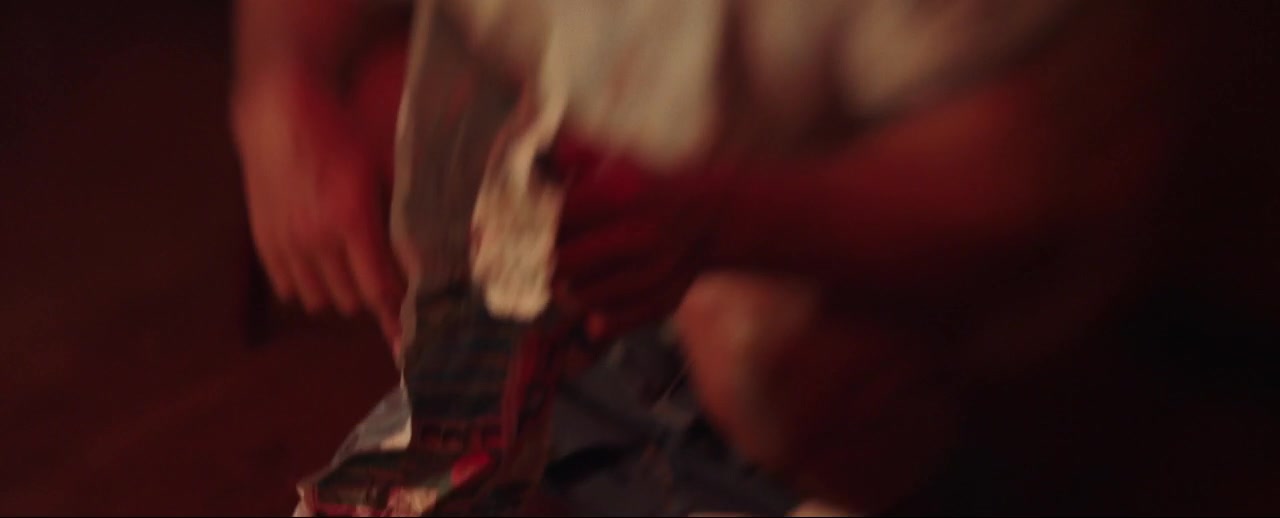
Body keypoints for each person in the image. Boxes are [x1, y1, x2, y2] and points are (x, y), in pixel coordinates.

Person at [232, 0, 1280, 515]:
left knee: (801, 373)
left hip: (860, 354)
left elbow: (1029, 188)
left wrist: (723, 223)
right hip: (569, 300)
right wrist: (285, 72)